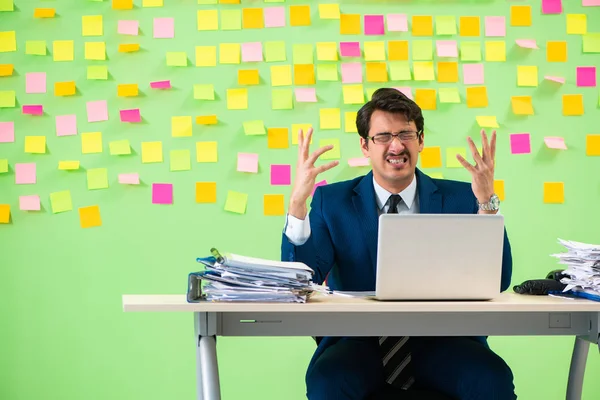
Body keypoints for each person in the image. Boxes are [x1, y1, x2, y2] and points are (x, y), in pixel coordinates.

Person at [280, 88, 515, 400]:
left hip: (444, 340)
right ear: (364, 145)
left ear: (420, 141)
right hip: (359, 342)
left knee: (492, 379)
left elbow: (498, 279)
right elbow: (301, 279)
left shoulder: (463, 197)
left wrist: (487, 203)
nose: (396, 145)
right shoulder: (331, 201)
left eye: (406, 133)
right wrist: (297, 204)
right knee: (327, 382)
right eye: (383, 136)